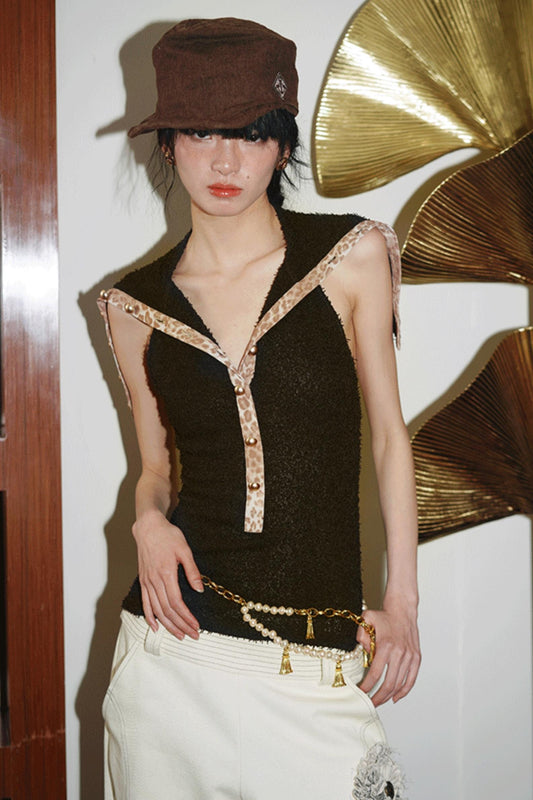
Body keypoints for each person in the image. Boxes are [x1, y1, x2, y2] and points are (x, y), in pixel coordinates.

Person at [98, 17, 420, 800]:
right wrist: (146, 522)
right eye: (199, 131)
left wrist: (402, 600)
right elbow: (155, 470)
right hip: (171, 664)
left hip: (313, 670)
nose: (224, 159)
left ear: (281, 145)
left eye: (249, 132)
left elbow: (388, 438)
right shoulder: (133, 308)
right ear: (167, 143)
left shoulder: (350, 258)